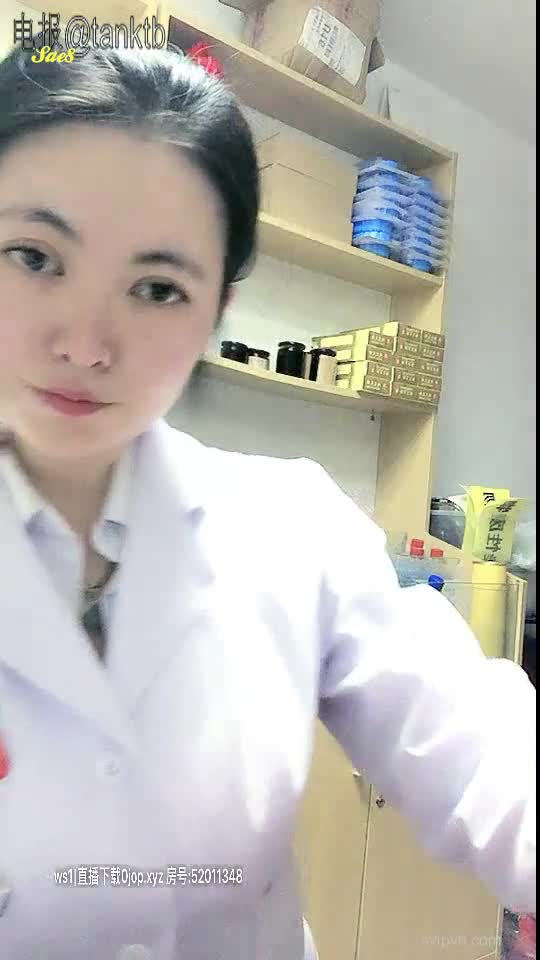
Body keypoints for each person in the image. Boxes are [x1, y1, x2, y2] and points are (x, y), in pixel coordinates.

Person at [0, 43, 535, 960]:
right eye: (35, 256)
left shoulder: (291, 526)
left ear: (218, 311)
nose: (86, 343)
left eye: (157, 288)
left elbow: (474, 740)